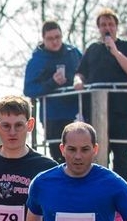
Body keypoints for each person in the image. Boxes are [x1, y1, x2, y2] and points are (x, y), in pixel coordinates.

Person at [74, 7, 127, 184]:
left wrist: (115, 51)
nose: (107, 28)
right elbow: (80, 72)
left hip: (120, 111)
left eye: (111, 24)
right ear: (98, 28)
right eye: (103, 24)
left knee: (122, 155)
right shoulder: (92, 49)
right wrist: (77, 81)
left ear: (116, 27)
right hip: (95, 112)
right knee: (96, 155)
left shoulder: (126, 47)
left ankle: (126, 195)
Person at [23, 20, 83, 161]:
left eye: (58, 37)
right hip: (53, 115)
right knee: (59, 156)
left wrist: (77, 80)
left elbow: (86, 72)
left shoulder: (73, 54)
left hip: (77, 112)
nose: (55, 42)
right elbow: (29, 89)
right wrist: (52, 83)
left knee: (80, 154)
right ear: (43, 39)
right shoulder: (37, 60)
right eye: (50, 39)